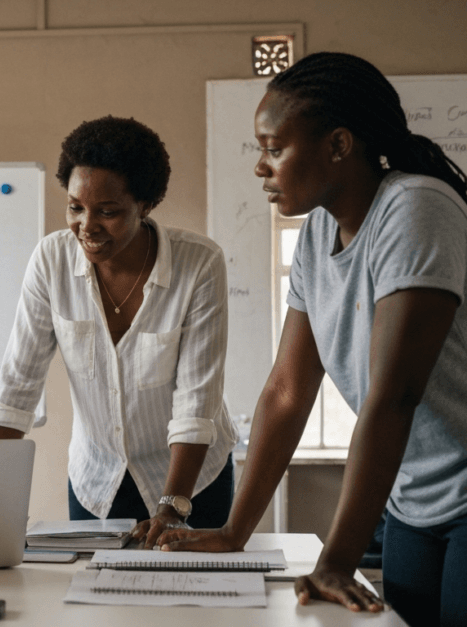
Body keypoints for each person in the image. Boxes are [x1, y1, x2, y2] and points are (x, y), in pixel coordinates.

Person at [156, 52, 467, 626]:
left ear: (339, 145)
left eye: (275, 150)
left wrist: (336, 562)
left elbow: (395, 393)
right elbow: (286, 390)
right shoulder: (317, 232)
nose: (261, 168)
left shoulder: (414, 208)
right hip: (412, 501)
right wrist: (233, 532)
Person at [0, 116, 237, 545]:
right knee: (98, 608)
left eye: (108, 212)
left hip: (192, 482)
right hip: (97, 482)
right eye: (75, 207)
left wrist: (171, 505)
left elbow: (197, 401)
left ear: (147, 204)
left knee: (189, 606)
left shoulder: (199, 265)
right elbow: (17, 386)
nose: (87, 225)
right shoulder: (52, 261)